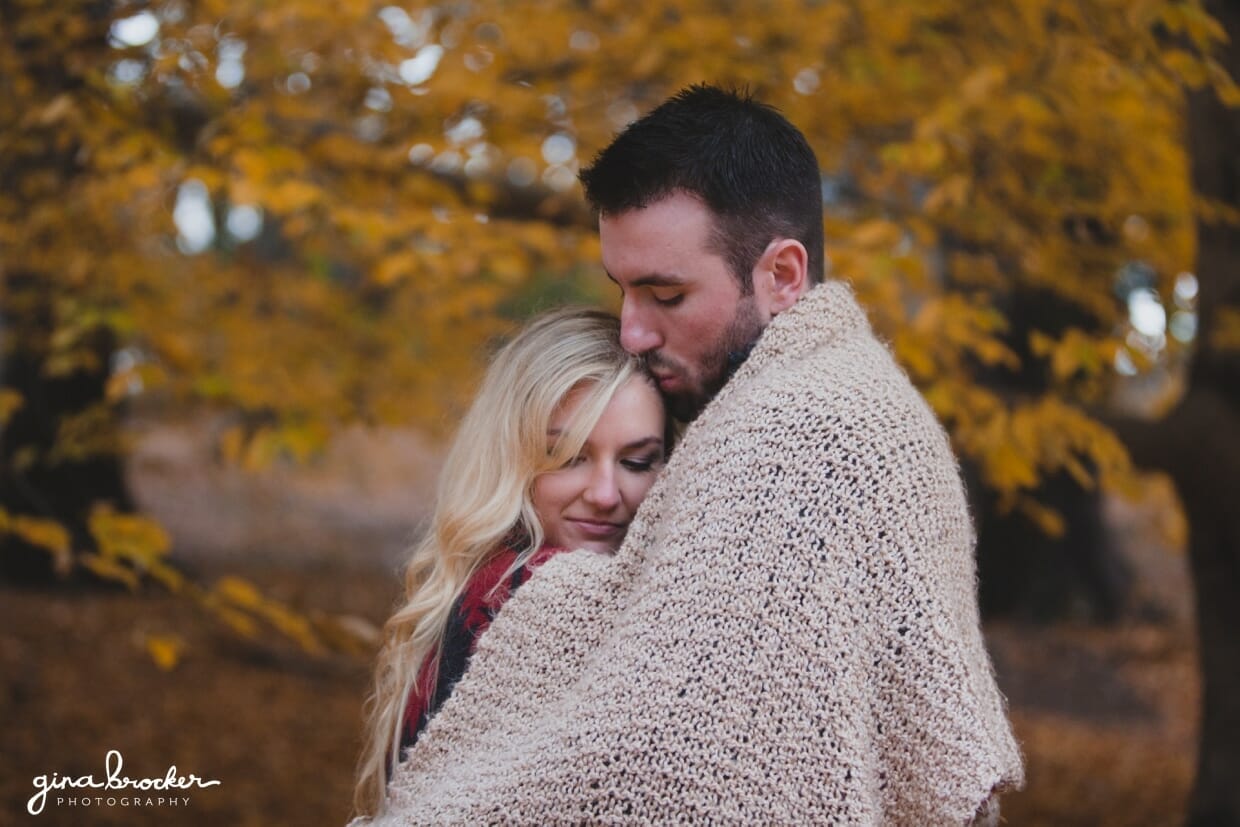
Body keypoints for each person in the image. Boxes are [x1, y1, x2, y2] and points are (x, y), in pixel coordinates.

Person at [377, 85, 1024, 824]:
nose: (632, 334)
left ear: (782, 275)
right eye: (621, 290)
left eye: (666, 294)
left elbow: (675, 760)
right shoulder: (848, 396)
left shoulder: (798, 429)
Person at [352, 308, 667, 819]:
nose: (606, 494)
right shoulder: (533, 594)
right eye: (567, 457)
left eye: (636, 462)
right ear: (513, 460)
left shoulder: (482, 581)